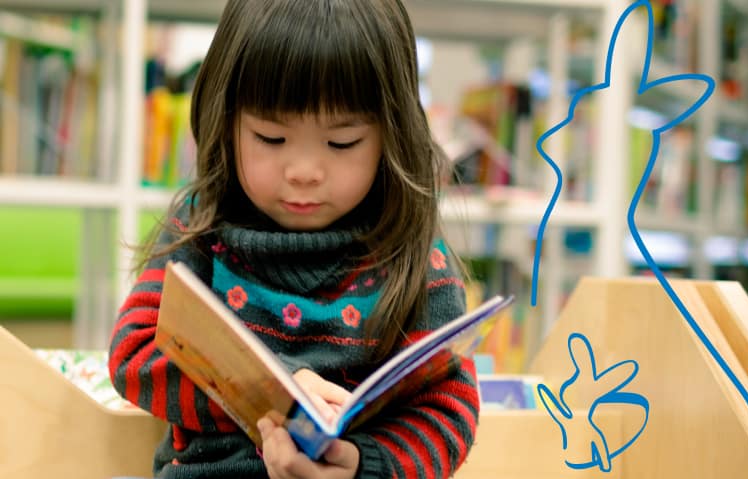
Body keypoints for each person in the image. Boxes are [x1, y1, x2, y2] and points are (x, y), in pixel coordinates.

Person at [108, 1, 479, 478]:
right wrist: (276, 394)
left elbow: (448, 408)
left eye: (342, 143)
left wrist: (365, 465)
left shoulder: (413, 251)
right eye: (270, 138)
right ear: (226, 120)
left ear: (393, 132)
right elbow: (135, 354)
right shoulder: (201, 226)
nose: (304, 173)